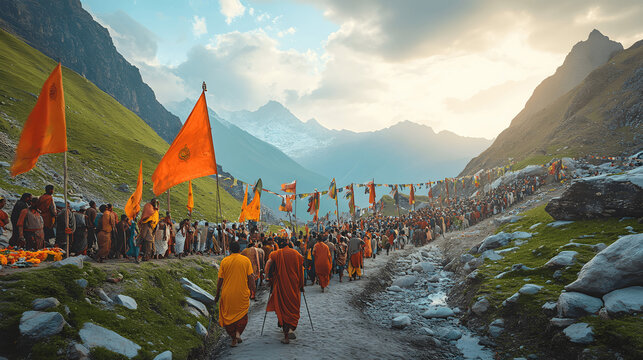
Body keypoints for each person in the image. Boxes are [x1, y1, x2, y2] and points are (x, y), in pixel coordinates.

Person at [215, 241, 255, 347]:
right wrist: (253, 289)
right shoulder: (245, 260)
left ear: (230, 250)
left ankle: (233, 339)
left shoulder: (224, 261)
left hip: (227, 294)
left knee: (228, 317)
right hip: (241, 293)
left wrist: (217, 293)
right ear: (239, 250)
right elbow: (251, 277)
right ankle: (238, 333)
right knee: (242, 316)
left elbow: (220, 280)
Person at [265, 241, 304, 344]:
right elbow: (301, 271)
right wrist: (302, 285)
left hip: (281, 286)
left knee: (282, 309)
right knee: (293, 308)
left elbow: (270, 263)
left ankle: (286, 336)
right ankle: (291, 329)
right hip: (294, 285)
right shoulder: (297, 254)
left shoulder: (276, 254)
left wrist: (269, 279)